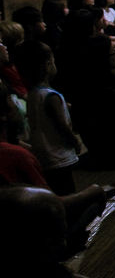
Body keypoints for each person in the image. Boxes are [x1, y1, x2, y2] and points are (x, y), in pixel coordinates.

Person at [14, 40, 82, 195]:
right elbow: (61, 125)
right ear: (48, 64)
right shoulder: (51, 96)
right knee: (67, 189)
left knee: (56, 189)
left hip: (43, 154)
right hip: (59, 154)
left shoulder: (32, 94)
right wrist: (74, 141)